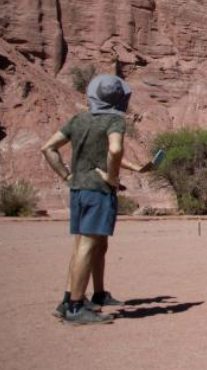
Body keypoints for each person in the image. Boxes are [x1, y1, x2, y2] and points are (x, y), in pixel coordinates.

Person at [41, 74, 152, 325]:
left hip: (78, 189)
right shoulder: (114, 121)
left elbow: (48, 148)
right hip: (98, 190)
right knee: (88, 246)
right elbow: (114, 149)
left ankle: (69, 299)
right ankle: (76, 308)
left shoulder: (79, 120)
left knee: (84, 244)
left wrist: (67, 176)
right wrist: (112, 177)